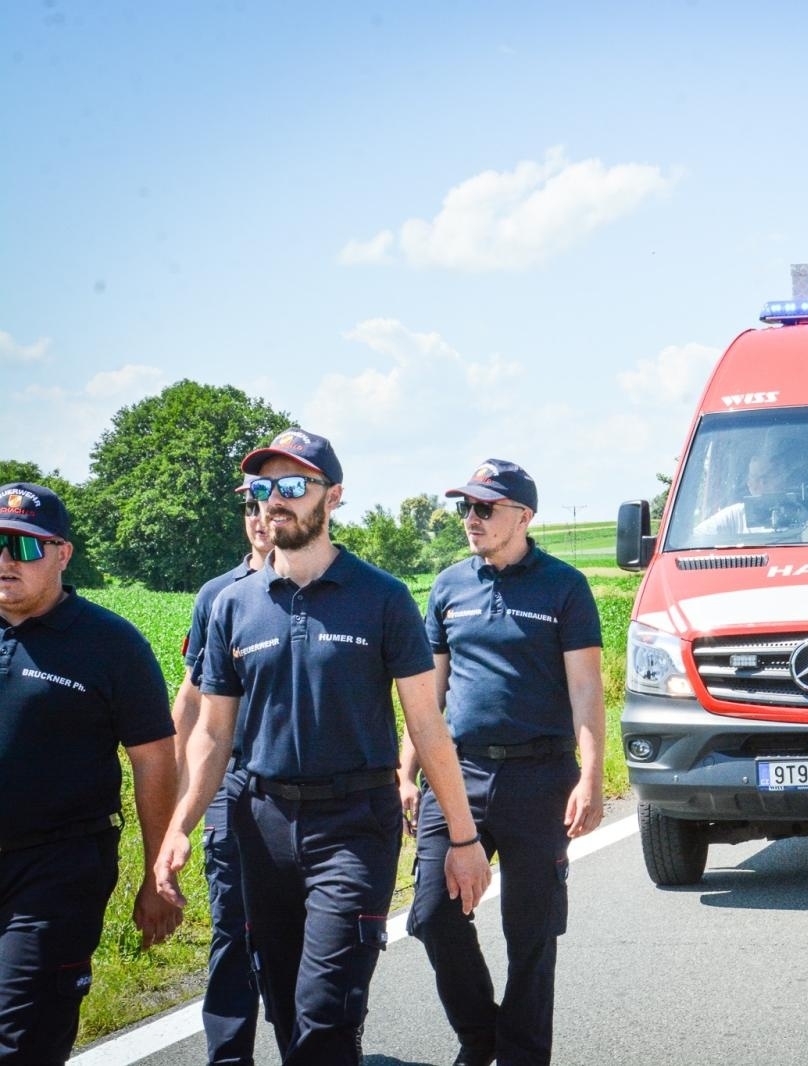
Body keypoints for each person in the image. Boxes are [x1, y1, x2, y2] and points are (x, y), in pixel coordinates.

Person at [155, 429, 491, 1066]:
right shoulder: (232, 606)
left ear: (333, 497)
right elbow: (213, 732)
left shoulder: (383, 598)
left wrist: (465, 840)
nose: (273, 501)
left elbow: (427, 725)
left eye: (291, 486)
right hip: (262, 826)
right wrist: (180, 824)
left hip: (354, 826)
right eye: (262, 488)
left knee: (325, 1009)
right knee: (284, 1006)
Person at [401, 459, 605, 1066]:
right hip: (457, 774)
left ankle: (520, 1055)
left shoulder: (564, 587)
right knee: (432, 914)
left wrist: (591, 776)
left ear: (523, 516)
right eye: (467, 508)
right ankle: (481, 1035)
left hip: (541, 777)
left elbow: (586, 691)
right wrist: (404, 770)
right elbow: (426, 697)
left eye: (484, 508)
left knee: (531, 933)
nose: (471, 519)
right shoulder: (448, 588)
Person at [0, 482, 182, 1063]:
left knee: (22, 1040)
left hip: (56, 871)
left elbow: (154, 757)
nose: (5, 561)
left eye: (23, 547)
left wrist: (157, 873)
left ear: (62, 553)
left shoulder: (110, 644)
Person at [170, 479, 272, 1065]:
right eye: (250, 509)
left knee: (304, 939)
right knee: (232, 931)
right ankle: (229, 1057)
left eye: (268, 507)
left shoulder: (320, 585)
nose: (259, 519)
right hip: (229, 787)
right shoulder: (217, 596)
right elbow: (192, 700)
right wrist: (180, 800)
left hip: (300, 791)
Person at [694, 445, 808, 537]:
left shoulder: (797, 512)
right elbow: (696, 538)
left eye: (766, 478)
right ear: (748, 483)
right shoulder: (736, 515)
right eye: (754, 478)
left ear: (783, 480)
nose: (760, 484)